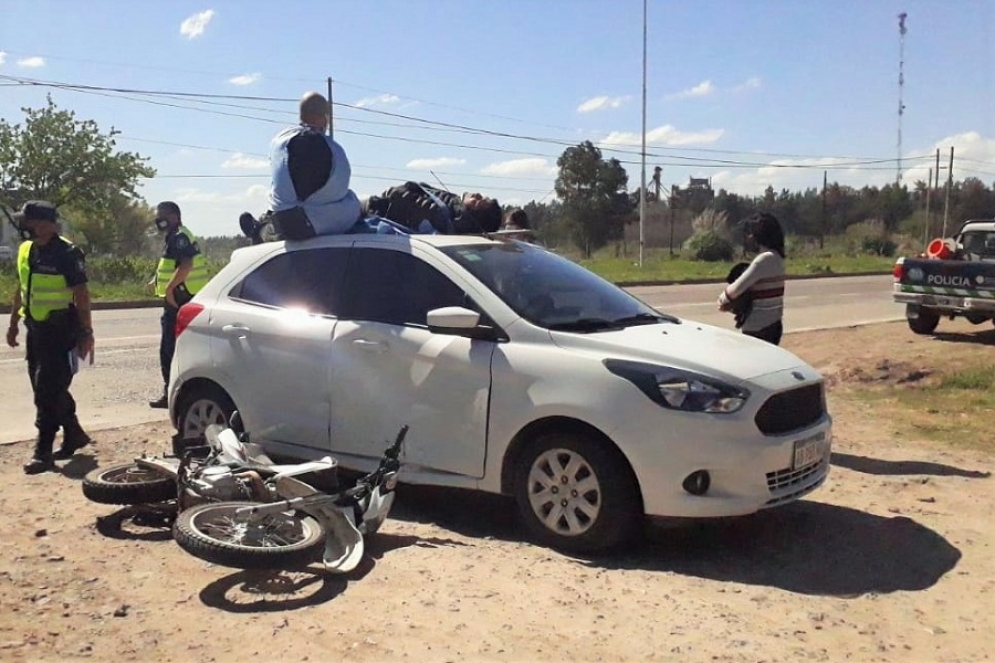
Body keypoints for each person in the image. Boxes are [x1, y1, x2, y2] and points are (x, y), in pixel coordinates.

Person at [6, 201, 95, 473]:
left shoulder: (67, 253)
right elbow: (22, 288)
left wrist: (86, 332)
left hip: (60, 330)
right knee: (45, 387)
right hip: (35, 329)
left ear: (44, 224)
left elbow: (81, 295)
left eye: (27, 221)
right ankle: (74, 432)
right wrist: (13, 323)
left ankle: (42, 452)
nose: (22, 226)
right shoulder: (26, 250)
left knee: (46, 390)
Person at [242, 91, 361, 243]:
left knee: (282, 215)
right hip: (309, 223)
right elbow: (337, 190)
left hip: (284, 218)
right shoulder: (331, 148)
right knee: (353, 203)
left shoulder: (279, 140)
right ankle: (266, 228)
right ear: (323, 117)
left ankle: (262, 229)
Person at [149, 201, 208, 409]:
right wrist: (158, 282)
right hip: (181, 298)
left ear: (175, 216)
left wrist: (169, 289)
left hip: (181, 299)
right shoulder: (175, 236)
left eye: (162, 215)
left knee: (170, 350)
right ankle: (174, 393)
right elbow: (172, 266)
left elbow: (186, 264)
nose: (159, 220)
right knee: (172, 349)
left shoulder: (179, 236)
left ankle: (171, 394)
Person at [718, 212, 786, 345]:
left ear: (760, 235)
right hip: (774, 325)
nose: (749, 237)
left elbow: (734, 290)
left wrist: (722, 299)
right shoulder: (778, 258)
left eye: (752, 233)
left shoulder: (763, 260)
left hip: (757, 328)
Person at [361, 182, 502, 234]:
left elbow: (395, 196)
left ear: (472, 217)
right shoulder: (451, 206)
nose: (477, 195)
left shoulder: (439, 215)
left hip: (370, 211)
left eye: (478, 202)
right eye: (481, 196)